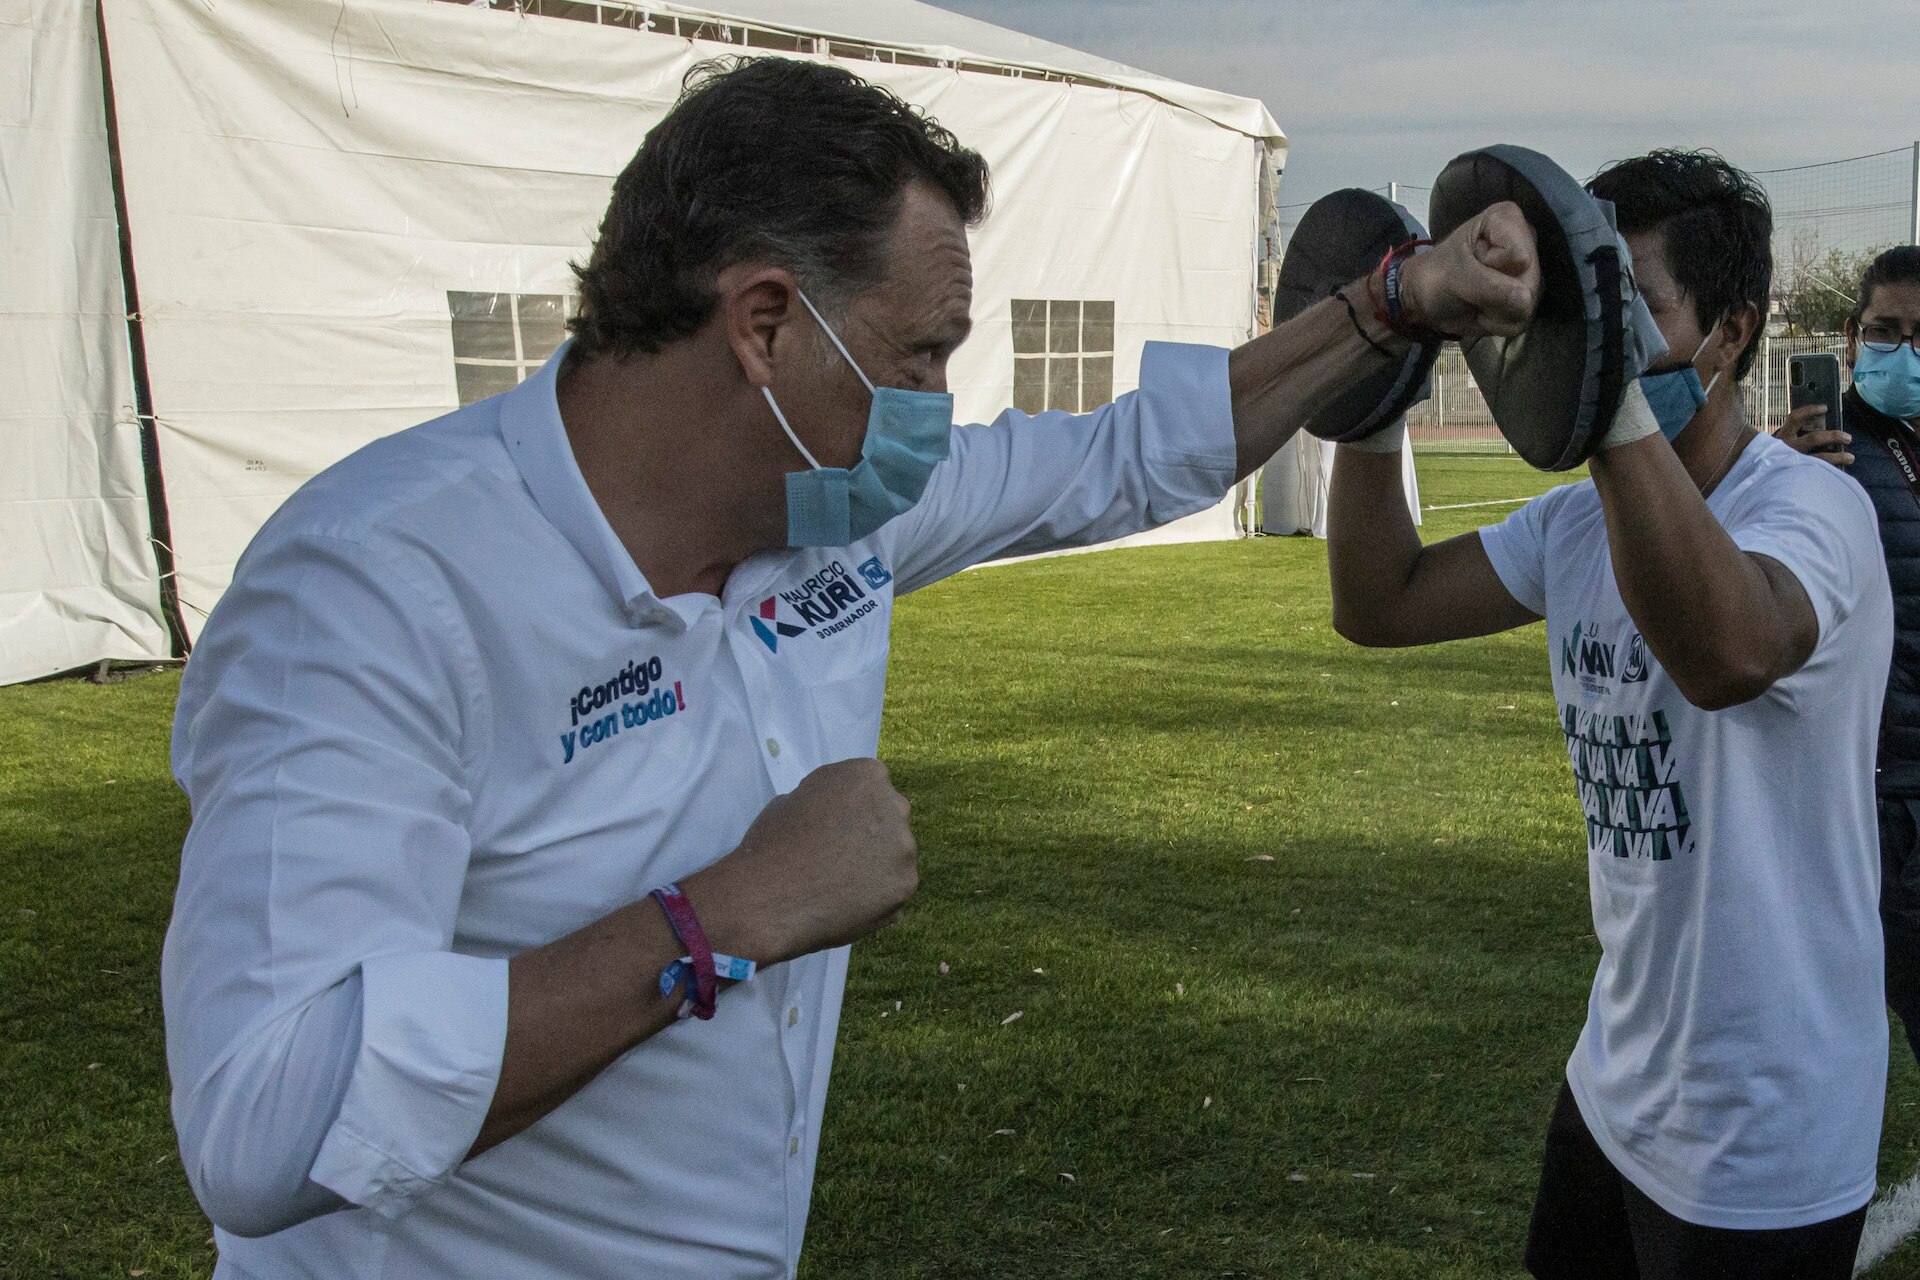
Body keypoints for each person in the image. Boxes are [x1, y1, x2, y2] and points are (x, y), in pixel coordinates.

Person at [162, 56, 1542, 1278]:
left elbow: (1121, 456)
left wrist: (1389, 303)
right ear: (764, 326)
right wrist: (714, 920)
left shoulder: (831, 509)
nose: (938, 407)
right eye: (921, 353)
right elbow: (265, 1123)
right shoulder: (368, 590)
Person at [1326, 150, 1892, 1279]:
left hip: (1763, 1124)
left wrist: (1610, 389)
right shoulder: (1573, 525)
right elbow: (1377, 600)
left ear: (1730, 335)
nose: (1591, 331)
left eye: (1630, 306)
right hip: (1616, 1081)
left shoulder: (1814, 510)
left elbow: (1724, 651)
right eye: (1586, 301)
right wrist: (1378, 384)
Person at [1775, 245, 1920, 1067]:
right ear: (1852, 337)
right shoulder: (1825, 448)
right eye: (1887, 331)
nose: (1907, 351)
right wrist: (1770, 471)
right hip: (1878, 793)